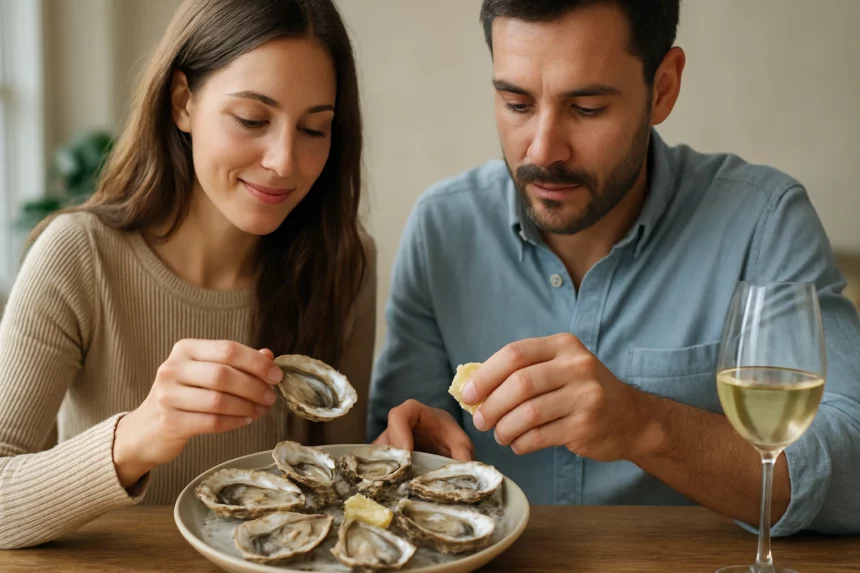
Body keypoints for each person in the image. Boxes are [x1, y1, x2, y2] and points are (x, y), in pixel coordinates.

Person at [368, 0, 860, 537]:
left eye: (587, 108)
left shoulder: (763, 223)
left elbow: (853, 476)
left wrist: (645, 425)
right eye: (516, 103)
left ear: (663, 88)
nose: (543, 150)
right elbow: (394, 459)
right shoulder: (441, 228)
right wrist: (410, 451)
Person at [0, 0, 375, 550]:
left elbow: (340, 489)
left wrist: (397, 457)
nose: (284, 161)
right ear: (183, 102)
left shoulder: (342, 263)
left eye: (314, 129)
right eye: (252, 119)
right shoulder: (78, 256)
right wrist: (140, 434)